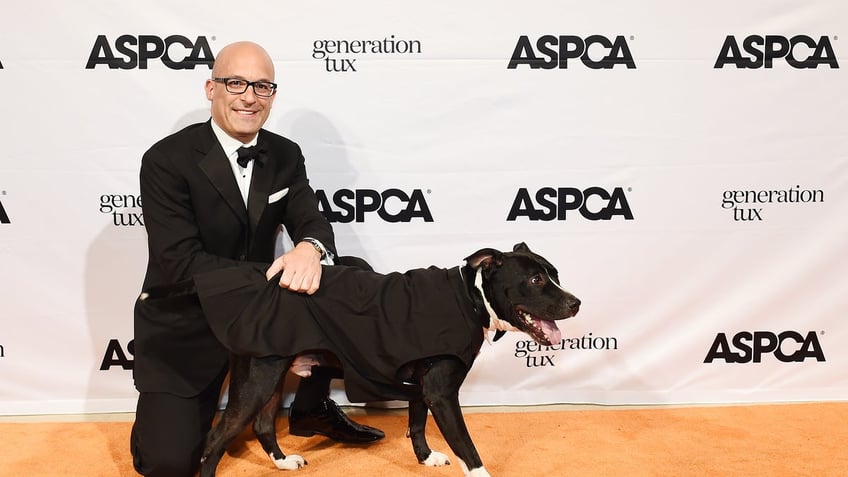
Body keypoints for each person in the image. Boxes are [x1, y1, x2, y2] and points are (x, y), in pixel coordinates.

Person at [130, 41, 384, 477]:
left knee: (351, 276)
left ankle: (310, 405)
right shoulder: (165, 160)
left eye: (262, 86)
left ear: (273, 94)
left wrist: (307, 249)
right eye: (236, 83)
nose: (250, 96)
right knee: (168, 463)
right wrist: (276, 277)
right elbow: (179, 262)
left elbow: (312, 220)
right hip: (189, 321)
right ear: (211, 88)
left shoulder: (285, 154)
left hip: (260, 316)